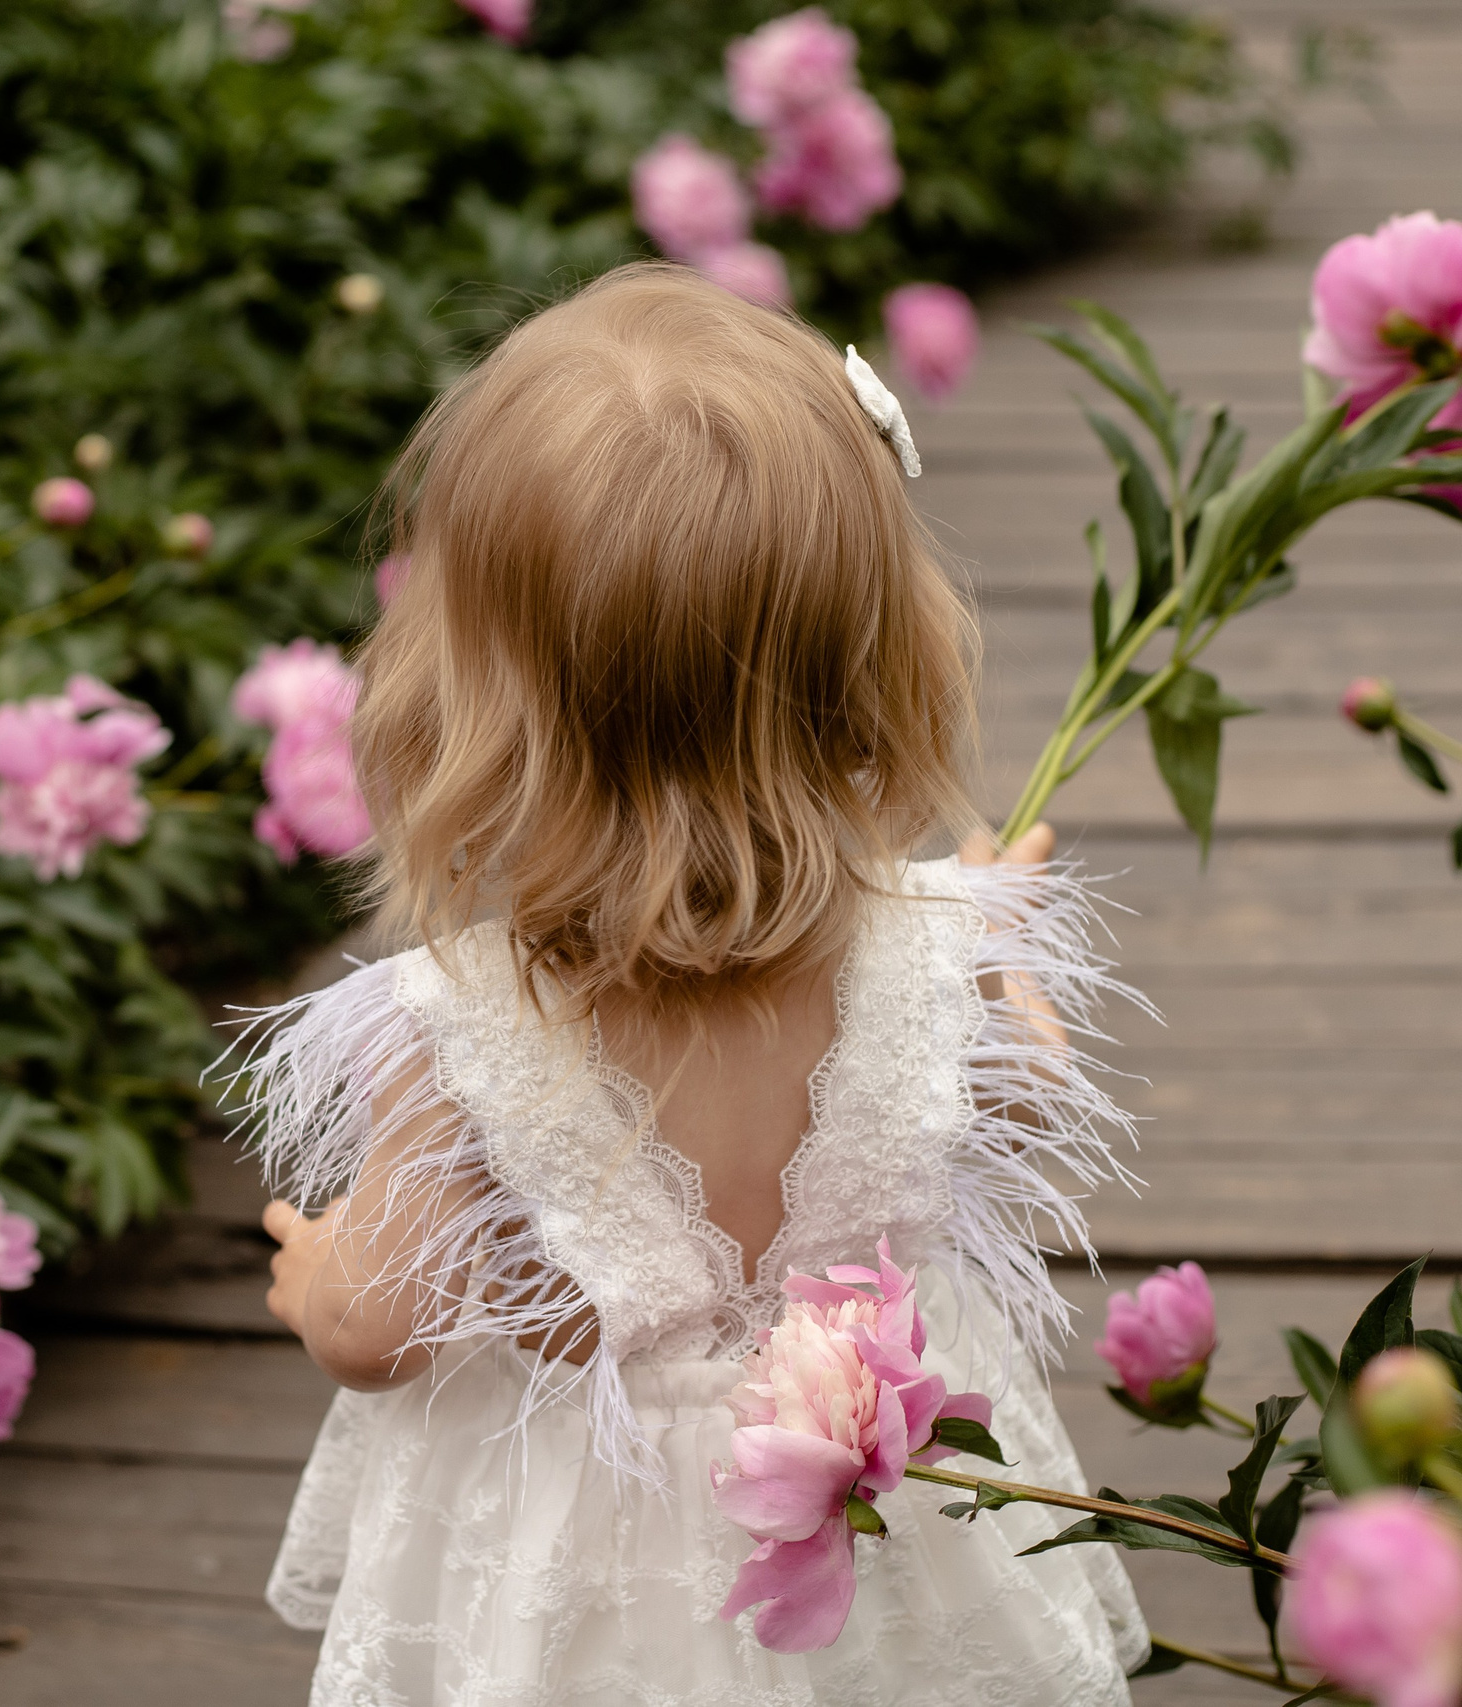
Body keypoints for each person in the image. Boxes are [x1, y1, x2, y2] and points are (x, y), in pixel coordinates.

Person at [230, 263, 1149, 1705]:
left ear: (466, 698)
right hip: (863, 1523)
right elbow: (1026, 1114)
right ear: (882, 654)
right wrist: (1005, 933)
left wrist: (308, 1268)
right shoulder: (939, 960)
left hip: (589, 1610)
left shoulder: (461, 1025)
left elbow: (374, 1329)